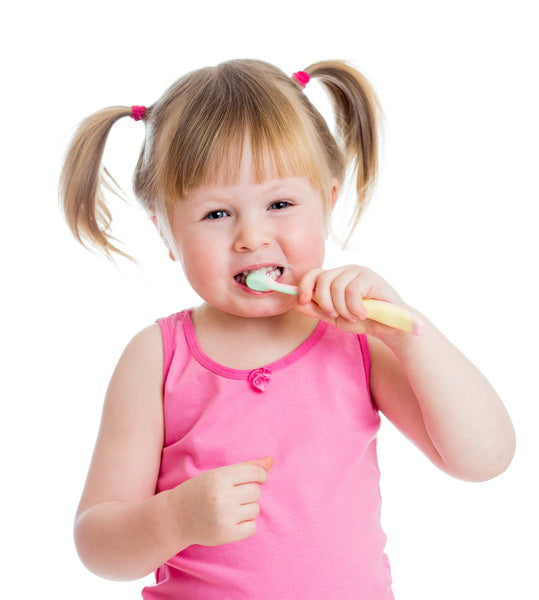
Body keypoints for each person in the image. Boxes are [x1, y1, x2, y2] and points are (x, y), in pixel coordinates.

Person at [59, 59, 516, 599]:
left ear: (328, 199)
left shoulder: (358, 337)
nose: (252, 237)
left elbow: (484, 458)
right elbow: (97, 546)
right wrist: (175, 518)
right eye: (215, 214)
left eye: (280, 204)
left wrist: (410, 333)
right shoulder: (157, 357)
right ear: (165, 229)